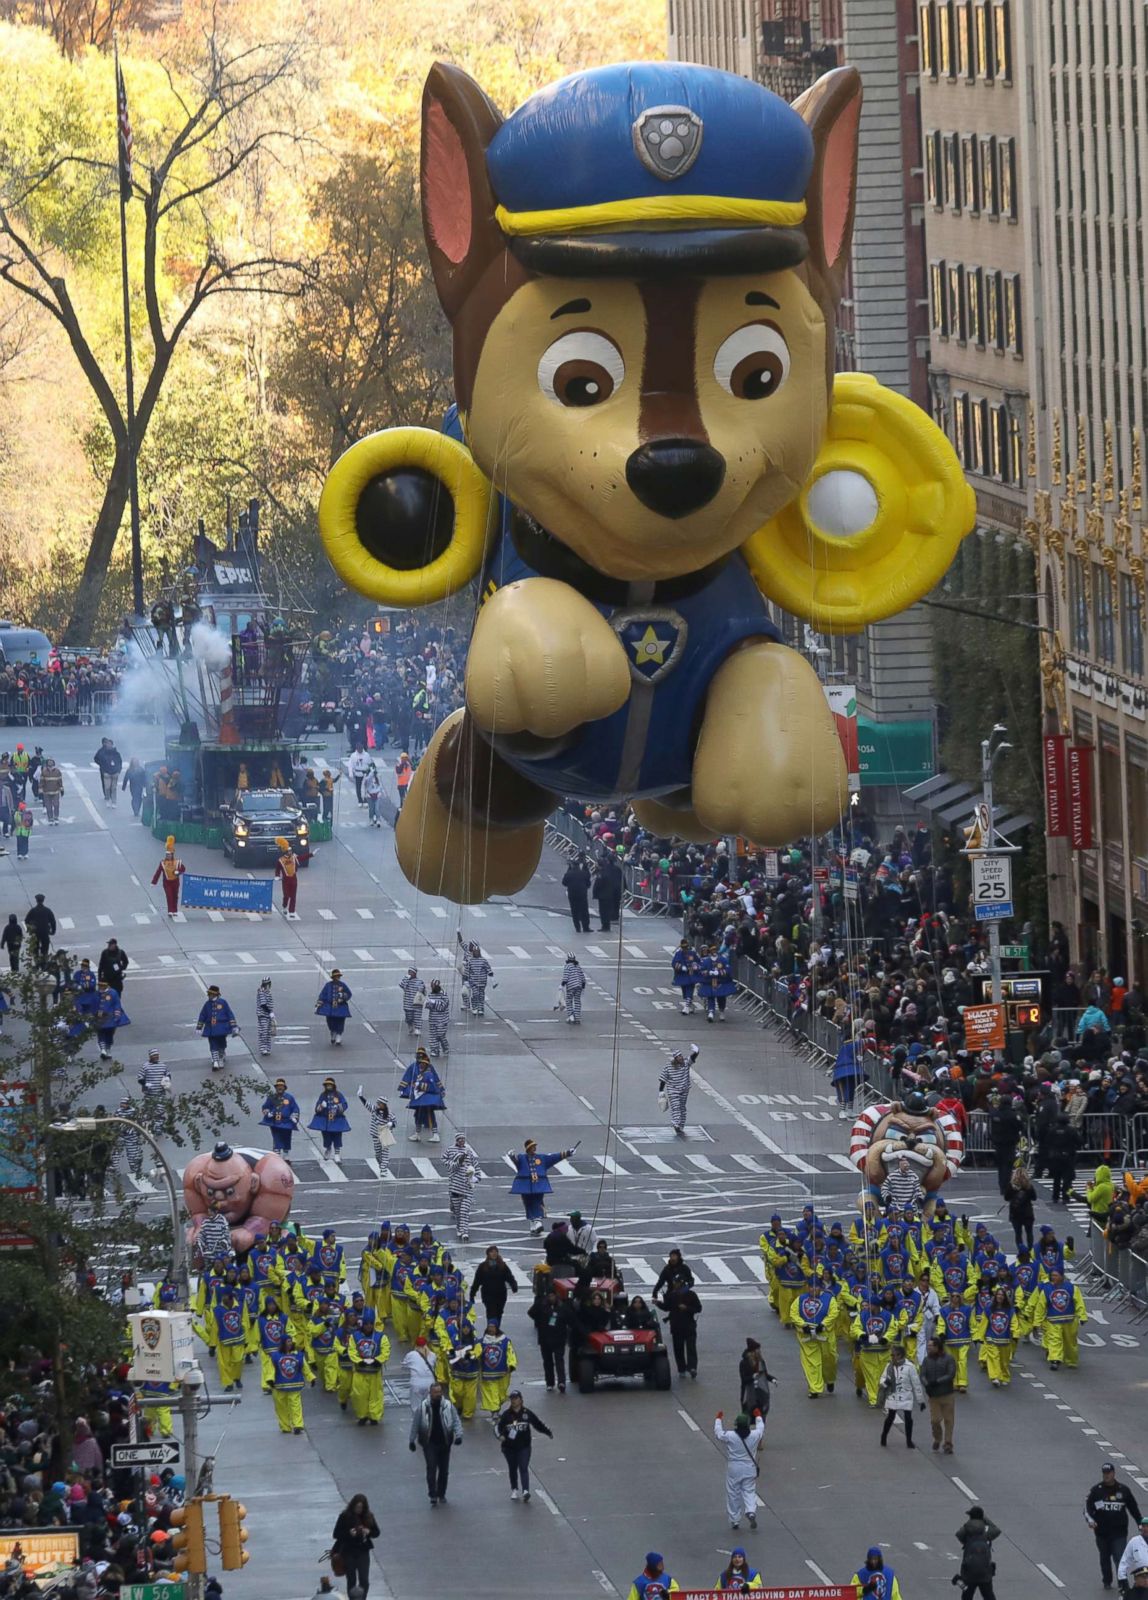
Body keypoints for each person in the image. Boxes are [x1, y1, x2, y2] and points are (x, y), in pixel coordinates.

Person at [1086, 1463, 1143, 1590]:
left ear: (1113, 1473)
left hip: (1119, 1532)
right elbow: (1087, 1508)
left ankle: (1122, 1582)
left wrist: (1140, 1524)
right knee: (1105, 1557)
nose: (1106, 1476)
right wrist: (1091, 1521)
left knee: (1119, 1557)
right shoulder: (1096, 1491)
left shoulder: (1123, 1490)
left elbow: (1133, 1508)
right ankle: (1107, 1580)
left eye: (1109, 1473)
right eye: (1104, 1473)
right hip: (1102, 1533)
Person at [409, 1382, 463, 1506]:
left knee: (444, 1471)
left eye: (440, 1392)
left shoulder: (448, 1406)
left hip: (445, 1442)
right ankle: (432, 1494)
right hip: (429, 1443)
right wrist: (412, 1440)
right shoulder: (423, 1407)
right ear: (430, 1393)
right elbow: (415, 1424)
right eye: (435, 1392)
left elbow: (456, 1421)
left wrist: (459, 1435)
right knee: (431, 1469)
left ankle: (441, 1493)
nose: (438, 1394)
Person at [508, 1139, 576, 1235]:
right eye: (532, 1146)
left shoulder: (541, 1158)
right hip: (525, 1186)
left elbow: (554, 1157)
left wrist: (568, 1153)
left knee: (538, 1202)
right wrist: (511, 1156)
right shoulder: (522, 1158)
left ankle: (537, 1220)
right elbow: (516, 1161)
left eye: (534, 1146)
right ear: (528, 1148)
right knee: (528, 1203)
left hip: (538, 1185)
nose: (534, 1148)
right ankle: (533, 1222)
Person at [495, 1390, 553, 1502]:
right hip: (509, 1448)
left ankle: (525, 1490)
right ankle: (514, 1489)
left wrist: (547, 1432)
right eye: (512, 1398)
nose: (514, 1401)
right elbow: (497, 1428)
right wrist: (500, 1436)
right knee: (512, 1468)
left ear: (521, 1400)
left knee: (523, 1467)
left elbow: (538, 1424)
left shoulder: (527, 1414)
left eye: (516, 1398)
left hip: (524, 1447)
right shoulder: (506, 1415)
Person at [713, 1411, 763, 1531]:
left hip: (734, 1468)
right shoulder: (755, 1435)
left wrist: (718, 1419)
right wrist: (758, 1416)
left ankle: (735, 1520)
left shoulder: (730, 1435)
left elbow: (718, 1434)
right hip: (749, 1467)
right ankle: (751, 1511)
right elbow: (761, 1428)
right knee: (749, 1491)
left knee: (733, 1493)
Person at [330, 1494, 379, 1599]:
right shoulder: (344, 1516)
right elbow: (336, 1534)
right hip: (348, 1551)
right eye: (357, 1507)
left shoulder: (368, 1516)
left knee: (364, 1580)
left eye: (361, 1507)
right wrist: (349, 1534)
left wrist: (368, 1531)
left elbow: (376, 1532)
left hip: (363, 1551)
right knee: (351, 1579)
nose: (359, 1510)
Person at [878, 1343, 924, 1449]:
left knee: (908, 1418)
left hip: (906, 1396)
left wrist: (920, 1400)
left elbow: (916, 1384)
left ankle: (909, 1440)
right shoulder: (889, 1366)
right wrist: (885, 1383)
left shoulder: (910, 1367)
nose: (892, 1357)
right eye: (891, 1355)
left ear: (900, 1355)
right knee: (890, 1417)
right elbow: (882, 1379)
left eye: (893, 1355)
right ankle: (884, 1435)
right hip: (893, 1395)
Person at [267, 1335, 312, 1436]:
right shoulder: (275, 1356)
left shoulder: (298, 1355)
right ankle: (285, 1426)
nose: (290, 1343)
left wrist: (311, 1377)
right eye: (288, 1341)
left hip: (294, 1384)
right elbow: (271, 1369)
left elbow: (304, 1368)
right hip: (279, 1386)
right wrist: (270, 1379)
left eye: (291, 1341)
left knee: (295, 1405)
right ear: (283, 1343)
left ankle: (298, 1425)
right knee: (281, 1407)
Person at [398, 1048, 446, 1141]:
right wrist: (404, 1088)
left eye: (423, 1063)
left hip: (427, 1100)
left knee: (429, 1115)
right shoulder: (417, 1070)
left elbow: (432, 1086)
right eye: (420, 1063)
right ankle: (417, 1133)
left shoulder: (428, 1074)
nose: (421, 1064)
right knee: (418, 1115)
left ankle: (435, 1134)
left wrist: (418, 1085)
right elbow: (408, 1078)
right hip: (420, 1099)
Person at [529, 1289, 570, 1393]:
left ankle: (561, 1382)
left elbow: (570, 1319)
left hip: (559, 1338)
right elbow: (531, 1312)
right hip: (545, 1338)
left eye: (553, 1295)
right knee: (548, 1362)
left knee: (559, 1360)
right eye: (549, 1296)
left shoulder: (562, 1307)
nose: (551, 1298)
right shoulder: (541, 1306)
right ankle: (550, 1382)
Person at [920, 1335, 957, 1454]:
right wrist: (927, 1385)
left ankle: (948, 1443)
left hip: (947, 1394)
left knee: (948, 1420)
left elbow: (951, 1374)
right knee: (935, 1420)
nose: (928, 1348)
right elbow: (922, 1375)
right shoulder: (926, 1360)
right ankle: (937, 1438)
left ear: (937, 1347)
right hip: (933, 1396)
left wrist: (937, 1381)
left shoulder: (949, 1359)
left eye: (930, 1346)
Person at [955, 1506, 1001, 1600]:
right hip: (985, 1573)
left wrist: (968, 1524)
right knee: (988, 1596)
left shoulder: (967, 1529)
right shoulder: (986, 1534)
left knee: (967, 1596)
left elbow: (959, 1534)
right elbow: (997, 1530)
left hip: (969, 1573)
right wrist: (984, 1519)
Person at [660, 1282, 702, 1378]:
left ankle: (692, 1367)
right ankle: (681, 1368)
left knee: (691, 1347)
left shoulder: (691, 1295)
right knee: (678, 1348)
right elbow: (667, 1307)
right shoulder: (671, 1295)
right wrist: (658, 1303)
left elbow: (698, 1308)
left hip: (689, 1325)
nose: (675, 1285)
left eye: (676, 1283)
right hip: (676, 1326)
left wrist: (687, 1308)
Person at [442, 1133, 479, 1239]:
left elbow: (478, 1171)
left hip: (467, 1189)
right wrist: (457, 1162)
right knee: (458, 1213)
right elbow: (445, 1161)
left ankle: (465, 1232)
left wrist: (473, 1178)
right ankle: (459, 1227)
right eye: (460, 1139)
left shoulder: (469, 1152)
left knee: (464, 1211)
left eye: (463, 1139)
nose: (462, 1141)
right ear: (456, 1140)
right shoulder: (450, 1150)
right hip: (455, 1187)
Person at [470, 1245, 519, 1325]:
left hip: (500, 1294)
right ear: (488, 1254)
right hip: (488, 1295)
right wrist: (472, 1294)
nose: (494, 1253)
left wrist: (514, 1285)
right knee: (491, 1313)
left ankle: (496, 1330)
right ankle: (491, 1331)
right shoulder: (483, 1266)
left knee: (499, 1313)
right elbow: (477, 1281)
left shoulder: (502, 1265)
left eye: (495, 1251)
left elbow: (509, 1277)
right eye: (492, 1252)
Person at [659, 1043, 700, 1136]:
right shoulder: (668, 1066)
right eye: (679, 1056)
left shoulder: (686, 1064)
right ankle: (676, 1124)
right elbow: (663, 1079)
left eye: (681, 1055)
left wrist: (696, 1051)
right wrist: (661, 1091)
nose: (681, 1057)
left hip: (684, 1089)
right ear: (675, 1058)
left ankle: (681, 1126)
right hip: (673, 1090)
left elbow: (693, 1058)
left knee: (682, 1108)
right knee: (676, 1107)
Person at [196, 985, 238, 1070]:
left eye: (211, 994)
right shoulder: (207, 1004)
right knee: (213, 1044)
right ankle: (215, 1061)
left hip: (222, 1028)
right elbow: (202, 1015)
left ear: (216, 994)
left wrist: (234, 1026)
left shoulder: (223, 1002)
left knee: (222, 1044)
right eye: (209, 994)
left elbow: (229, 1014)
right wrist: (199, 1027)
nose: (209, 996)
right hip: (211, 1028)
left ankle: (221, 1058)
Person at [309, 1077, 350, 1163]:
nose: (328, 1086)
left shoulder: (339, 1095)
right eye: (327, 1085)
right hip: (326, 1121)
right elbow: (317, 1107)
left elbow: (345, 1104)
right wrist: (321, 1106)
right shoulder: (323, 1095)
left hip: (337, 1120)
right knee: (326, 1137)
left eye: (330, 1085)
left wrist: (339, 1106)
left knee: (337, 1137)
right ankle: (328, 1148)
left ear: (333, 1086)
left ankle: (337, 1154)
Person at [358, 1086, 396, 1174]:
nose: (378, 1105)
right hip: (375, 1135)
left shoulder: (390, 1114)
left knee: (385, 1152)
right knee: (378, 1152)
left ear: (384, 1104)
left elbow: (395, 1122)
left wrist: (391, 1124)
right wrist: (360, 1096)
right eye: (378, 1103)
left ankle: (383, 1169)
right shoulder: (374, 1110)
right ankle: (381, 1163)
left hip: (385, 1134)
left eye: (380, 1103)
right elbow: (366, 1104)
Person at [261, 1079, 300, 1159]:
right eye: (278, 1086)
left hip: (287, 1122)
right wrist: (268, 1113)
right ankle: (277, 1153)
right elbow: (265, 1107)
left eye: (281, 1086)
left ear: (284, 1088)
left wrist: (294, 1117)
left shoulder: (289, 1098)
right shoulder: (271, 1097)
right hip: (275, 1122)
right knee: (276, 1137)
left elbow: (295, 1108)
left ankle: (286, 1153)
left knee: (287, 1136)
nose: (280, 1088)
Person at [737, 1337, 776, 1417]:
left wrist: (772, 1379)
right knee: (747, 1415)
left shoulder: (760, 1361)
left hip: (760, 1393)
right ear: (753, 1352)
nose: (759, 1352)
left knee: (761, 1415)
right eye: (757, 1350)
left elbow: (764, 1374)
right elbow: (743, 1379)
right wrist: (752, 1377)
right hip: (748, 1394)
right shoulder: (744, 1363)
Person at [316, 969, 353, 1045]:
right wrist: (320, 1002)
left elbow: (348, 994)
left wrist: (342, 997)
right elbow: (323, 994)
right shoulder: (328, 985)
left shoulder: (343, 985)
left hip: (341, 1007)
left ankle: (339, 1034)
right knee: (330, 1021)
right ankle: (333, 1032)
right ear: (333, 977)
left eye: (338, 976)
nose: (337, 978)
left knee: (340, 1021)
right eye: (336, 976)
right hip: (330, 1008)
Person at [94, 983, 130, 1061]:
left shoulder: (113, 993)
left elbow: (116, 1004)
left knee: (109, 1034)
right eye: (99, 986)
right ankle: (103, 1050)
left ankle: (108, 1049)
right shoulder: (96, 993)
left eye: (102, 986)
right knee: (100, 1033)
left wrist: (117, 1015)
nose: (100, 987)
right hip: (99, 1017)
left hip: (110, 1017)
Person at [151, 837, 186, 916]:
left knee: (175, 896)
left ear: (172, 855)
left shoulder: (177, 862)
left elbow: (183, 869)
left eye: (169, 855)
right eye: (167, 855)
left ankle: (174, 910)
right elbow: (158, 872)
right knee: (169, 896)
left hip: (175, 882)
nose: (168, 856)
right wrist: (154, 882)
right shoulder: (163, 863)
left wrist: (178, 872)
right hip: (167, 883)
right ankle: (170, 910)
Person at [1004, 1169, 1036, 1254]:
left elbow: (1006, 1198)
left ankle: (1021, 1250)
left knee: (1018, 1234)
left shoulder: (1011, 1186)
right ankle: (1030, 1250)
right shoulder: (1029, 1186)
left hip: (1015, 1213)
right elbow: (1034, 1197)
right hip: (1027, 1213)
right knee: (1029, 1232)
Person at [562, 853, 592, 933]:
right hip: (582, 893)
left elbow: (564, 883)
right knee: (584, 910)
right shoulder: (583, 873)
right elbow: (588, 883)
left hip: (572, 894)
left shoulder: (569, 873)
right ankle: (586, 927)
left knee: (574, 911)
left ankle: (577, 927)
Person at [1118, 1517, 1148, 1591]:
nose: (1146, 1529)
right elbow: (1124, 1562)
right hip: (1140, 1582)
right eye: (1144, 1526)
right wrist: (1123, 1580)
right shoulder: (1134, 1542)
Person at [671, 938, 700, 1016]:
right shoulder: (678, 954)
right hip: (682, 975)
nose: (685, 949)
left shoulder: (692, 953)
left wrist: (695, 966)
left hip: (691, 974)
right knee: (684, 990)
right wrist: (681, 967)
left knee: (690, 989)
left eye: (686, 947)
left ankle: (687, 1006)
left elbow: (698, 962)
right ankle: (690, 1004)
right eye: (683, 947)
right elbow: (674, 963)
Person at [24, 895, 55, 963]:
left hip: (35, 933)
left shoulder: (33, 911)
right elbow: (53, 921)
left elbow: (26, 921)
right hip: (45, 933)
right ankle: (44, 962)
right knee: (45, 949)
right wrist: (53, 931)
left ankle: (37, 962)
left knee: (35, 949)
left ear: (36, 900)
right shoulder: (47, 910)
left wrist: (30, 929)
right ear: (43, 900)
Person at [425, 978, 450, 1056]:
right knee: (433, 1036)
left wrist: (434, 1002)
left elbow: (443, 1007)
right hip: (433, 1019)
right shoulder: (430, 995)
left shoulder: (444, 995)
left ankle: (445, 1047)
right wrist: (427, 1002)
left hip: (442, 1020)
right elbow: (428, 1006)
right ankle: (434, 1050)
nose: (432, 988)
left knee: (440, 1034)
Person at [275, 839, 300, 918]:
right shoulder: (281, 860)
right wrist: (277, 876)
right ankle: (284, 906)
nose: (290, 852)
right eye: (289, 851)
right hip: (285, 881)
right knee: (286, 895)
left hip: (294, 879)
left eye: (291, 851)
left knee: (293, 896)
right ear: (285, 852)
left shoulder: (294, 857)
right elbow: (278, 869)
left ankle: (292, 911)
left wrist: (311, 854)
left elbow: (302, 858)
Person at [558, 952, 586, 1023]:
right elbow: (582, 977)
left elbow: (565, 977)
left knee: (568, 1000)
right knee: (577, 1001)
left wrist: (562, 985)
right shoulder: (578, 966)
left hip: (571, 986)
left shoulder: (567, 966)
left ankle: (571, 1016)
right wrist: (583, 986)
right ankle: (577, 1018)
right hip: (579, 986)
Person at [93, 737, 122, 805]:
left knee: (113, 787)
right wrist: (101, 766)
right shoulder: (101, 752)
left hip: (114, 771)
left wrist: (118, 771)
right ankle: (107, 797)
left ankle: (113, 800)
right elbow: (97, 759)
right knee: (106, 786)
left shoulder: (115, 752)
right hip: (105, 771)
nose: (107, 745)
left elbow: (119, 761)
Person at [399, 966, 426, 1036]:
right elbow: (402, 985)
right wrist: (406, 978)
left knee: (417, 1016)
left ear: (415, 973)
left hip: (417, 1002)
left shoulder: (419, 981)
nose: (410, 973)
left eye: (411, 972)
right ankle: (410, 1026)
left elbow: (422, 989)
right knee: (409, 1017)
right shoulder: (406, 981)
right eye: (409, 972)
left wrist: (421, 990)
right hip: (408, 1003)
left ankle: (417, 1029)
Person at [38, 756, 63, 825]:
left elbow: (60, 781)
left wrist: (61, 789)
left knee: (56, 805)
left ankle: (56, 817)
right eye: (49, 761)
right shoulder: (44, 772)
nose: (50, 763)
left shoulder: (57, 771)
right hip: (46, 792)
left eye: (51, 761)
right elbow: (41, 781)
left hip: (55, 791)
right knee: (48, 806)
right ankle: (50, 819)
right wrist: (40, 789)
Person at [255, 976, 275, 1057]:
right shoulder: (262, 992)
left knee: (267, 1032)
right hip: (263, 1014)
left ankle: (267, 1048)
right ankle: (263, 1048)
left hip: (267, 1015)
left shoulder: (267, 992)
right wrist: (270, 1012)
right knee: (263, 1031)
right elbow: (263, 1004)